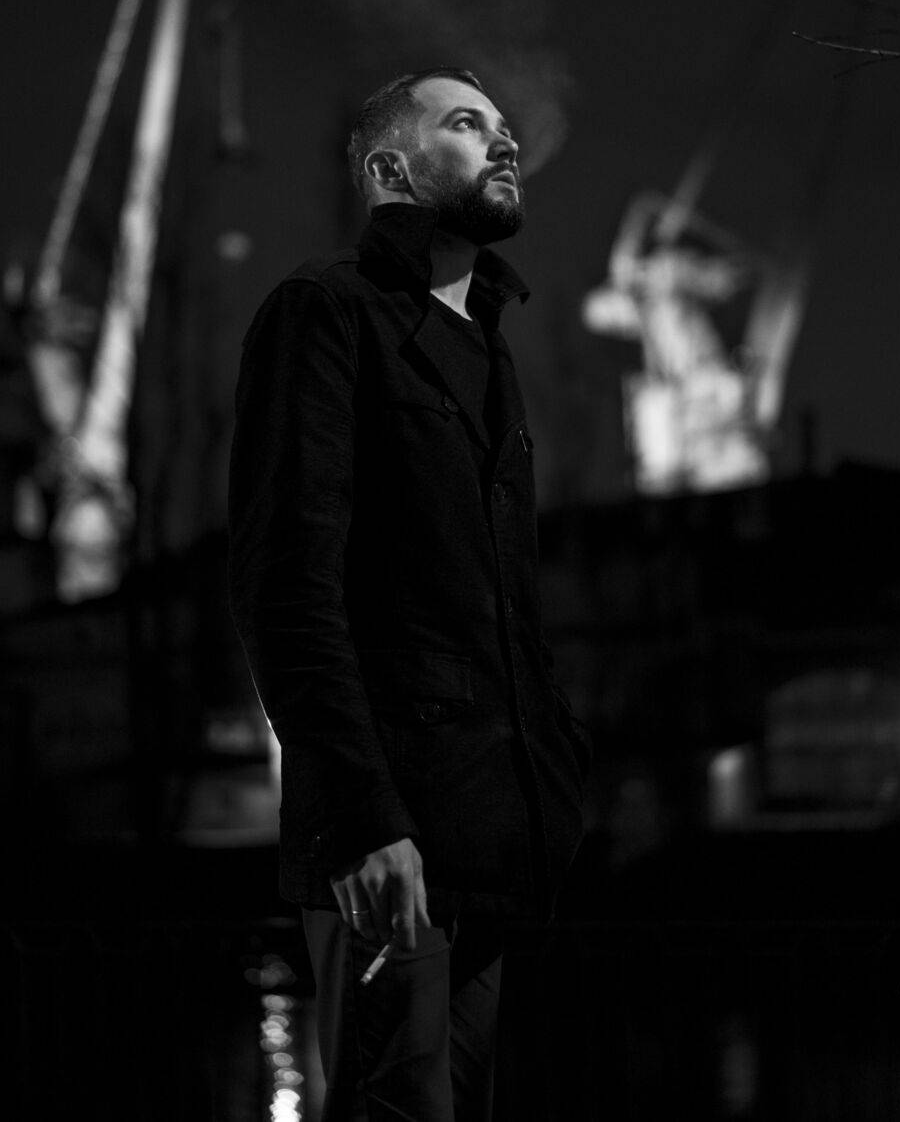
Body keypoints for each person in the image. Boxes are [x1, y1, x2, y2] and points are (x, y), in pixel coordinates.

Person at [228, 68, 592, 1121]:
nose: (504, 143)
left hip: (494, 833)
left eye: (505, 127)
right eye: (467, 125)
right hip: (389, 834)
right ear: (391, 169)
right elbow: (286, 584)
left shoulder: (489, 348)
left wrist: (558, 766)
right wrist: (360, 820)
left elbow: (496, 610)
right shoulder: (325, 310)